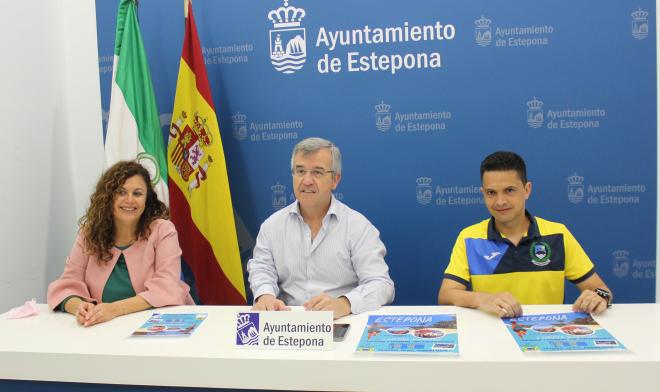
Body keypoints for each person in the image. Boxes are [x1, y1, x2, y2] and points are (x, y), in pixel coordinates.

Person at [438, 151, 612, 317]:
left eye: (509, 190)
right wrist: (482, 299)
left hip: (547, 334)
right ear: (483, 194)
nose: (500, 201)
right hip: (491, 335)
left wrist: (599, 297)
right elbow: (446, 295)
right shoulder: (469, 237)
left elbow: (601, 289)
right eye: (491, 193)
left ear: (527, 190)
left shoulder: (558, 234)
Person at [247, 137, 395, 319]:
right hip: (286, 327)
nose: (307, 180)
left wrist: (345, 303)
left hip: (339, 323)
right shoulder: (272, 226)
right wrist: (265, 295)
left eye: (317, 172)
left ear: (335, 180)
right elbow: (262, 268)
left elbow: (381, 284)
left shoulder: (357, 226)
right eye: (300, 171)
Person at [47, 161, 194, 327]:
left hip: (160, 326)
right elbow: (68, 284)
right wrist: (80, 308)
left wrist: (114, 310)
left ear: (147, 199)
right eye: (121, 192)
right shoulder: (88, 234)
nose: (129, 200)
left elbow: (166, 287)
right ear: (108, 196)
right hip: (103, 328)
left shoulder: (163, 230)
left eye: (137, 193)